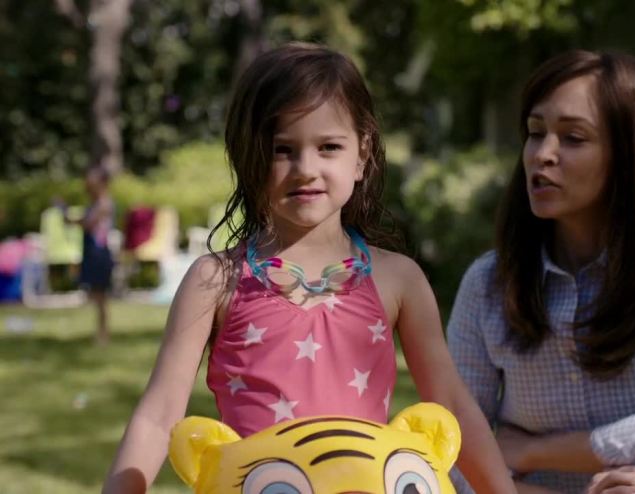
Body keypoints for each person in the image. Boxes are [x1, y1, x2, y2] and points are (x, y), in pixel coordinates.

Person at [102, 42, 515, 494]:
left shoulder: (398, 279)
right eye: (282, 150)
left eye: (328, 147)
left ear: (362, 155)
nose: (305, 168)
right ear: (249, 157)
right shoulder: (215, 281)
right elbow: (160, 415)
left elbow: (451, 401)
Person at [447, 50, 635, 493]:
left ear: (630, 154)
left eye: (573, 138)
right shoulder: (488, 283)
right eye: (535, 133)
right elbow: (448, 451)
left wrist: (529, 451)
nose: (542, 154)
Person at [66, 166, 114, 345]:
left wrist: (72, 219)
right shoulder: (95, 203)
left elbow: (89, 224)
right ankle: (100, 333)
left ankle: (103, 334)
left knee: (100, 297)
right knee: (96, 295)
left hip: (99, 254)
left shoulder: (104, 203)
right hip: (92, 252)